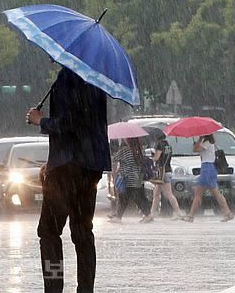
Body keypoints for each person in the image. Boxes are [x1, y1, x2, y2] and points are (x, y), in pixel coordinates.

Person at [26, 67, 111, 293]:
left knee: (49, 231)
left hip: (66, 169)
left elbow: (70, 124)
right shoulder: (96, 78)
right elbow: (88, 126)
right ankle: (85, 289)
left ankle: (53, 288)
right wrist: (51, 160)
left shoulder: (68, 77)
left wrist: (41, 121)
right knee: (83, 232)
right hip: (89, 167)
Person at [181, 134, 234, 223]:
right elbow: (196, 149)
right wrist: (198, 142)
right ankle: (228, 213)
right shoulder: (205, 141)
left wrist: (197, 142)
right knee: (215, 193)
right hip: (208, 168)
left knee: (198, 193)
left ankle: (190, 216)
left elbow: (195, 150)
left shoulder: (207, 142)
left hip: (207, 168)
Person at [108, 137, 153, 224]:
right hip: (137, 178)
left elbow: (114, 159)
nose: (124, 139)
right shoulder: (139, 150)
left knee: (125, 198)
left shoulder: (125, 150)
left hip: (127, 178)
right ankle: (147, 215)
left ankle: (119, 217)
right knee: (138, 197)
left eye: (125, 138)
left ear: (128, 140)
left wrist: (115, 171)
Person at [149, 134, 186, 220]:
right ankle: (152, 214)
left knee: (168, 194)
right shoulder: (168, 146)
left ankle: (179, 213)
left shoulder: (159, 145)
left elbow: (156, 158)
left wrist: (151, 158)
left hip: (162, 173)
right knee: (156, 194)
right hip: (168, 170)